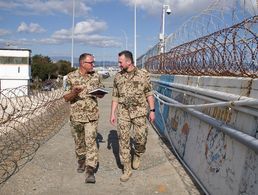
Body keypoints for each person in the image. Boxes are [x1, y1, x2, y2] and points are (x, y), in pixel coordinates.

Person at [110, 50, 155, 182]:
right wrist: (112, 113)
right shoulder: (118, 77)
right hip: (123, 113)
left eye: (120, 62)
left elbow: (149, 93)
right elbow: (115, 96)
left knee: (141, 138)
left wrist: (152, 110)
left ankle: (138, 153)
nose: (119, 64)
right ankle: (127, 169)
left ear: (129, 62)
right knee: (123, 141)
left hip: (139, 113)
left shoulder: (143, 75)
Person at [63, 53, 105, 184]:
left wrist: (100, 94)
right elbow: (66, 98)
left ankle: (90, 170)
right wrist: (74, 92)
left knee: (91, 142)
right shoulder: (70, 77)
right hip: (76, 116)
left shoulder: (96, 76)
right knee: (79, 143)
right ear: (82, 63)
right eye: (91, 63)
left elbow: (101, 92)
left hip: (92, 116)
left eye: (93, 62)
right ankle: (81, 160)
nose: (93, 65)